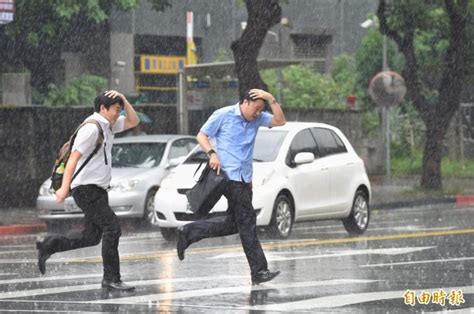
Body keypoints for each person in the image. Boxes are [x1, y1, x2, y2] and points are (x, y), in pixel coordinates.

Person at [177, 88, 286, 285]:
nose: (258, 113)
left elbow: (280, 121)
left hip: (244, 178)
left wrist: (271, 99)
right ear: (245, 102)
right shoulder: (223, 115)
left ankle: (190, 232)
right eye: (256, 108)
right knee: (248, 220)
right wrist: (212, 153)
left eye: (261, 109)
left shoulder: (258, 119)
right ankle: (259, 271)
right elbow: (201, 135)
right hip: (227, 177)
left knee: (234, 223)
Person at [36, 90, 139, 291]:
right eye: (116, 110)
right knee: (112, 228)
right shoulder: (92, 128)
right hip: (86, 189)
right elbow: (73, 158)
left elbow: (133, 121)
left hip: (97, 190)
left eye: (120, 110)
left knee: (91, 237)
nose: (119, 114)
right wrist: (64, 188)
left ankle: (49, 245)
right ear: (103, 108)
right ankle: (111, 279)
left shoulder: (108, 125)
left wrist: (124, 100)